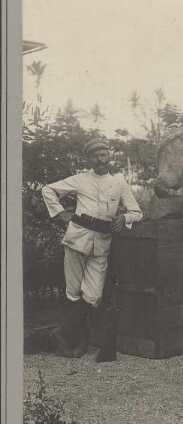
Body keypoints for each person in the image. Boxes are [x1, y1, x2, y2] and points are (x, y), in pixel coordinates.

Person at [42, 137, 142, 358]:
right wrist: (60, 213)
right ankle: (79, 342)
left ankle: (60, 332)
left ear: (109, 156)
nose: (99, 159)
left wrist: (124, 217)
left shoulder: (119, 183)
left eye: (103, 154)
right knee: (73, 292)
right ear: (88, 159)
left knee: (93, 296)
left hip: (102, 244)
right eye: (94, 156)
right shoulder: (80, 179)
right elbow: (48, 190)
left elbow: (137, 211)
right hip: (77, 239)